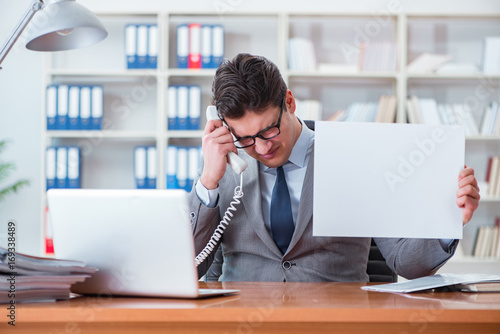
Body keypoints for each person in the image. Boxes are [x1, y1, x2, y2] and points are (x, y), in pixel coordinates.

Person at [188, 53, 480, 282]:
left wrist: (447, 222)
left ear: (289, 102)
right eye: (246, 138)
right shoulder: (222, 166)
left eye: (268, 130)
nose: (262, 148)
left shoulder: (356, 152)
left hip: (337, 319)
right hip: (240, 322)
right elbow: (188, 267)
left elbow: (406, 262)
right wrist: (208, 182)